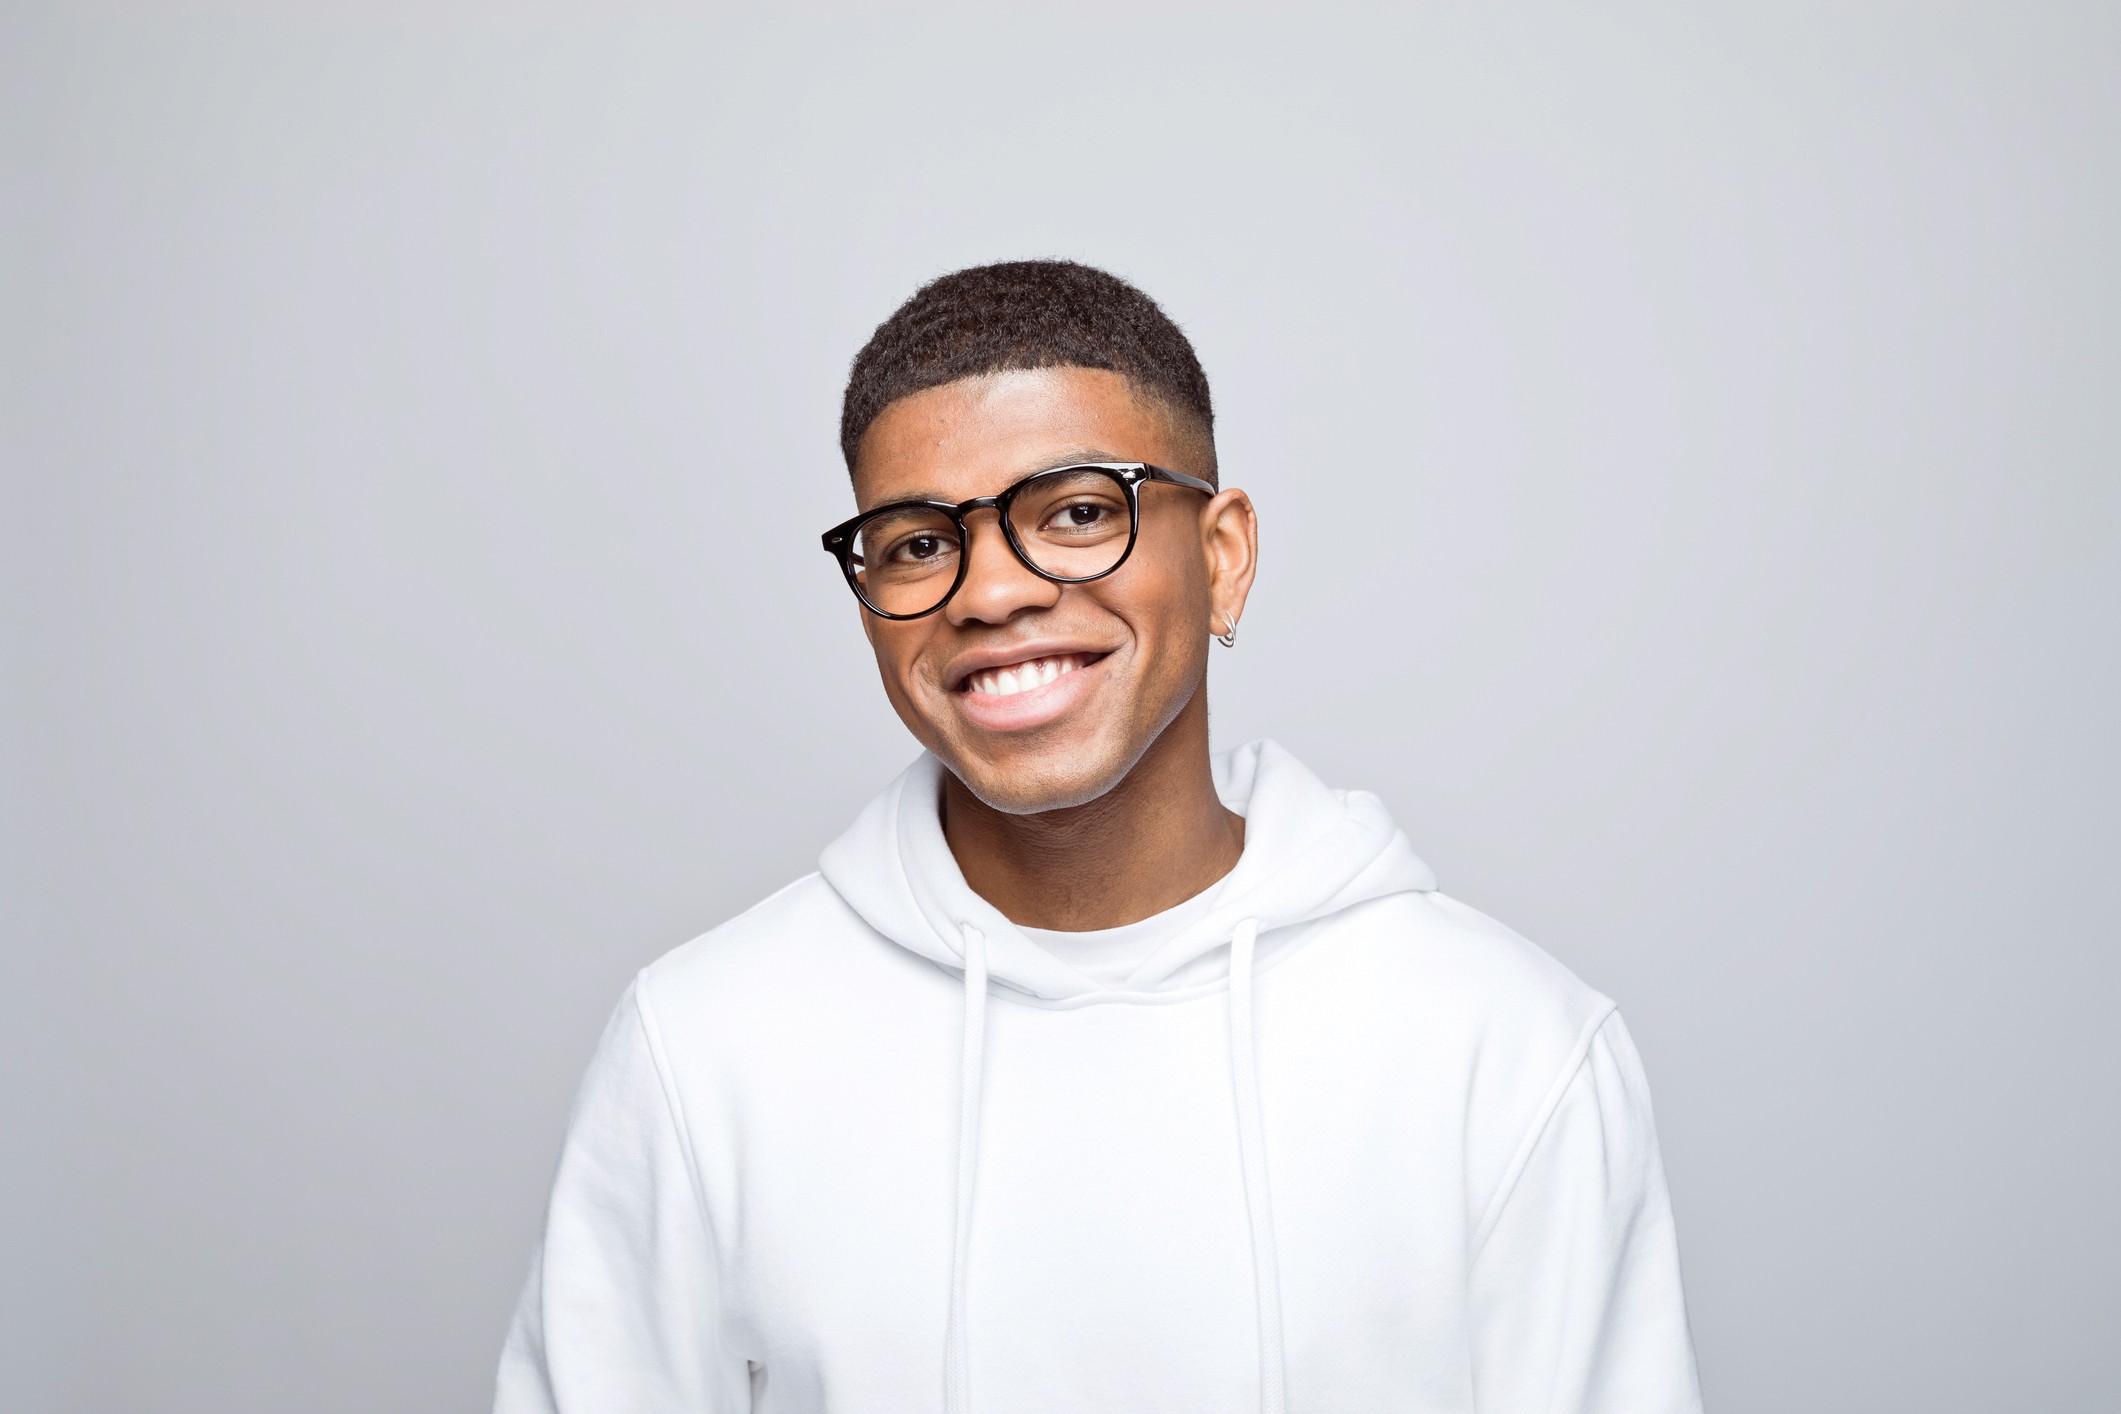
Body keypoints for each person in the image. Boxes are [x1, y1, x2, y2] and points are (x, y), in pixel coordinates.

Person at [493, 260, 1704, 1413]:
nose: (990, 591)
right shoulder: (703, 1046)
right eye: (918, 541)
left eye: (1075, 512)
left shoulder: (1504, 1046)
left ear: (1222, 559)